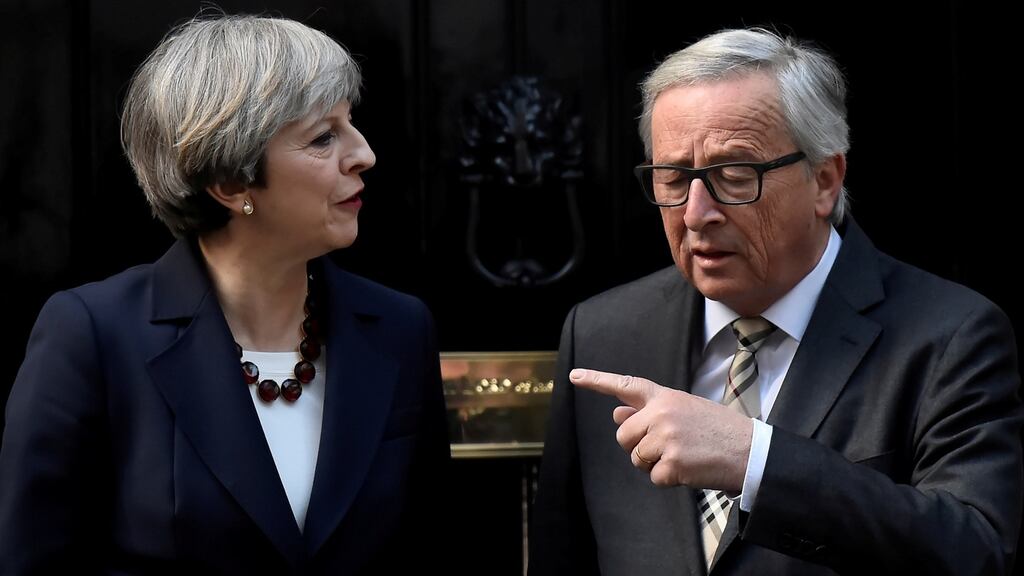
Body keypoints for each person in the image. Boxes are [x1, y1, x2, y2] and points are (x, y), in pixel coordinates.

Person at [529, 27, 1023, 576]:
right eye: (673, 178)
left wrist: (757, 460)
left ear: (824, 180)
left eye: (734, 176)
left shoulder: (951, 335)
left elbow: (975, 552)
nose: (696, 213)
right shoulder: (602, 330)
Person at [0, 14, 449, 574]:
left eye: (350, 123)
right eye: (323, 136)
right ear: (232, 183)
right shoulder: (93, 334)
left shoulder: (400, 327)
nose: (363, 154)